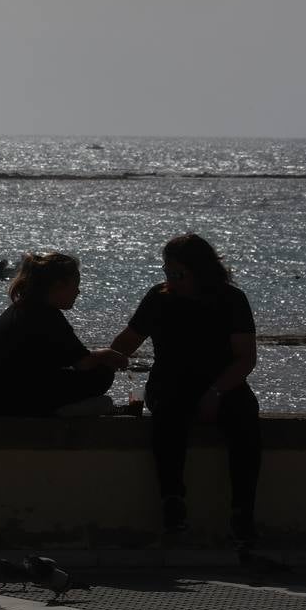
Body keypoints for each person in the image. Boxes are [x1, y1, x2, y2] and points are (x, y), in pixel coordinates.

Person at [110, 233, 261, 544]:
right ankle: (172, 501)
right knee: (167, 416)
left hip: (223, 383)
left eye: (178, 274)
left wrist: (216, 392)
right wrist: (100, 363)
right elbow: (127, 342)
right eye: (167, 273)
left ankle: (243, 510)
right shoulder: (159, 298)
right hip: (171, 382)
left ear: (201, 271)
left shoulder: (232, 301)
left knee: (245, 419)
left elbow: (246, 358)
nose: (172, 280)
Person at [0, 253, 127, 416]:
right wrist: (108, 356)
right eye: (75, 285)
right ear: (58, 286)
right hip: (8, 399)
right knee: (102, 375)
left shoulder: (20, 308)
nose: (78, 292)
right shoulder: (47, 316)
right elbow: (84, 364)